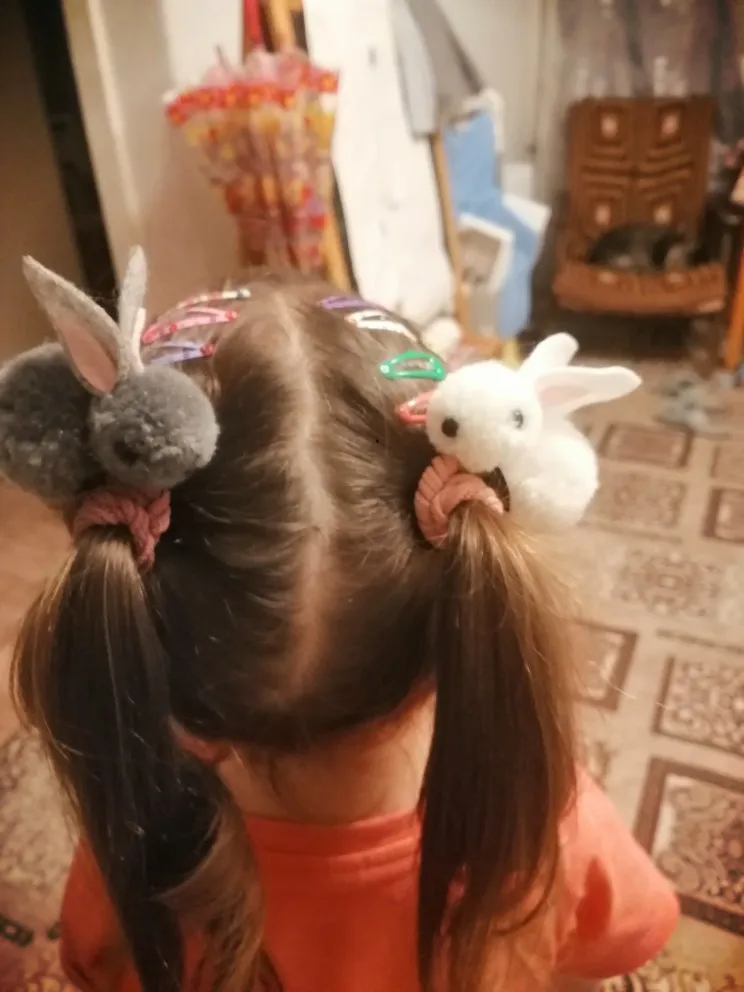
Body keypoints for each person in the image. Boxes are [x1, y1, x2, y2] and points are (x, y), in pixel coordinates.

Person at [4, 252, 678, 992]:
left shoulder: (132, 856)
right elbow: (620, 945)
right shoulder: (541, 823)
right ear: (460, 627)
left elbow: (90, 963)